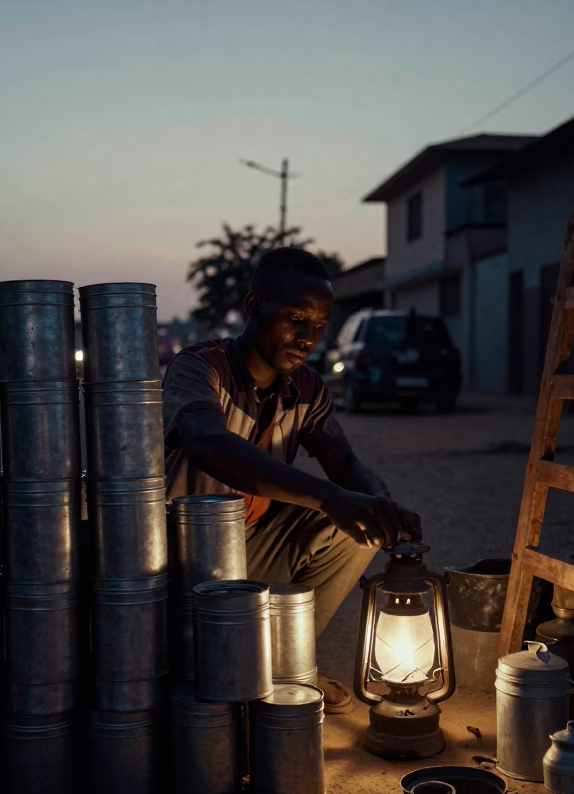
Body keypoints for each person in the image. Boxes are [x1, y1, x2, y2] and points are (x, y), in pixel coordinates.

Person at [163, 247, 423, 714]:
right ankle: (240, 668)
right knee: (339, 506)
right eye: (295, 318)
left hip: (252, 544)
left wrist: (381, 503)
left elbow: (343, 463)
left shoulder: (307, 388)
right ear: (253, 306)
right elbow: (207, 443)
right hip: (183, 561)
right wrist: (328, 497)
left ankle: (286, 667)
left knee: (357, 528)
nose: (308, 337)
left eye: (319, 326)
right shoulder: (201, 367)